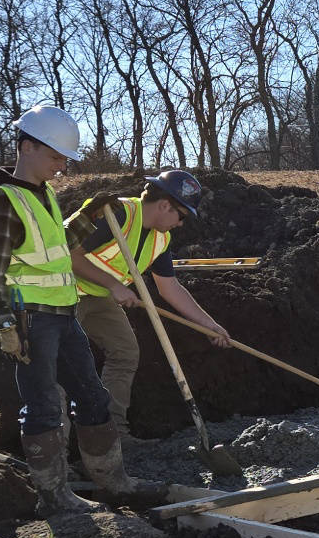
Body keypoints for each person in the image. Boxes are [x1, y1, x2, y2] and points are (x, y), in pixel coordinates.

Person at [0, 104, 154, 514]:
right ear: (28, 147)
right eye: (56, 157)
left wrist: (89, 213)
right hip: (31, 320)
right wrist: (4, 323)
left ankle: (114, 483)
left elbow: (58, 248)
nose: (61, 166)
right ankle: (54, 498)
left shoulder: (45, 196)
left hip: (63, 313)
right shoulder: (4, 201)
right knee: (42, 406)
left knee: (93, 396)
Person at [68, 170, 231, 437]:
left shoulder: (160, 238)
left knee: (125, 352)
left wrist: (209, 325)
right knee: (61, 363)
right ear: (165, 204)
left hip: (97, 296)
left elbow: (169, 288)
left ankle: (113, 434)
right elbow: (68, 255)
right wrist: (113, 284)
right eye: (182, 216)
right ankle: (60, 454)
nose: (181, 224)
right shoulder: (116, 213)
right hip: (59, 293)